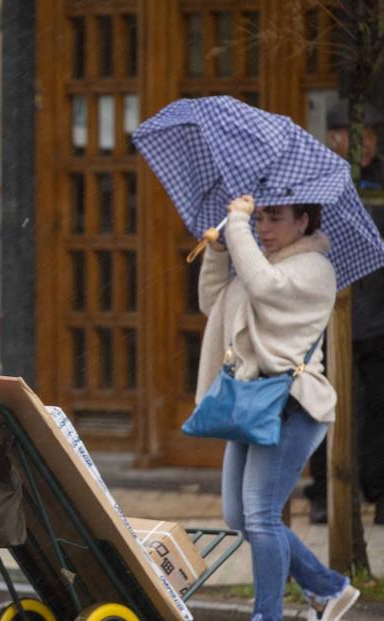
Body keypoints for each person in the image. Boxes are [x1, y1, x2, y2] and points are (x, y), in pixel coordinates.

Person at [197, 195, 359, 621]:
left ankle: (267, 615)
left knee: (261, 514)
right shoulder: (264, 265)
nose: (263, 227)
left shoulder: (314, 269)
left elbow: (265, 288)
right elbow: (214, 305)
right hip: (252, 403)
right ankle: (328, 588)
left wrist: (236, 224)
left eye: (275, 218)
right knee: (239, 516)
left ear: (302, 221)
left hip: (292, 405)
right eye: (260, 218)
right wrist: (217, 254)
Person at [304, 101, 384, 524]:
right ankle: (324, 492)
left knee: (379, 407)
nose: (364, 144)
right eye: (355, 136)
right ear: (334, 138)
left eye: (370, 135)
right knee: (322, 406)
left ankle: (380, 490)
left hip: (378, 315)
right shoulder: (317, 179)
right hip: (327, 313)